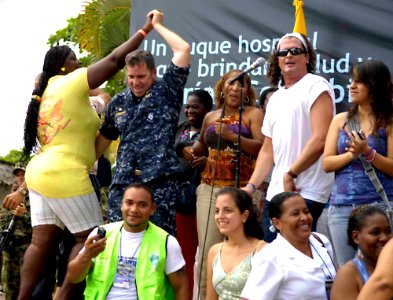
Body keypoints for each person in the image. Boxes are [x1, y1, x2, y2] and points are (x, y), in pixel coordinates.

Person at [2, 11, 155, 299]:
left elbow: (92, 134)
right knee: (92, 238)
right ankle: (63, 296)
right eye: (74, 58)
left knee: (41, 241)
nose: (79, 63)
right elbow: (112, 62)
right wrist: (145, 30)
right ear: (62, 66)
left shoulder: (45, 91)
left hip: (39, 173)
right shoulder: (69, 82)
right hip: (67, 174)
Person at [95, 10, 191, 237]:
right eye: (131, 77)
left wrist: (156, 25)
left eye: (141, 77)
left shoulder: (167, 89)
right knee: (120, 243)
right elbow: (103, 140)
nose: (135, 82)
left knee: (159, 244)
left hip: (159, 182)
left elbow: (183, 50)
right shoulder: (118, 102)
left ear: (153, 73)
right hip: (124, 184)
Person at [243, 32, 335, 243]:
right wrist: (251, 186)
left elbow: (321, 138)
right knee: (274, 262)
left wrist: (291, 173)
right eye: (283, 52)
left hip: (307, 191)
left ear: (307, 57)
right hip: (276, 193)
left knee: (301, 263)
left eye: (296, 50)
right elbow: (268, 149)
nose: (289, 55)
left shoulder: (316, 85)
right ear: (277, 59)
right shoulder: (276, 97)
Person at [189, 70, 264, 299]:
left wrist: (233, 137)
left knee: (246, 249)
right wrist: (190, 151)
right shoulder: (211, 117)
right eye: (231, 83)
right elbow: (201, 145)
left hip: (242, 190)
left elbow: (262, 148)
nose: (235, 88)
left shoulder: (253, 114)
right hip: (210, 188)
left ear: (247, 92)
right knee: (206, 253)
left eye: (242, 84)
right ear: (222, 87)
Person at [323, 60, 393, 266]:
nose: (352, 86)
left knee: (379, 272)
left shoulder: (389, 121)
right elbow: (327, 163)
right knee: (347, 271)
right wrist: (352, 155)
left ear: (374, 85)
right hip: (341, 207)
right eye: (352, 81)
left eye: (359, 81)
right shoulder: (340, 120)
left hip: (378, 205)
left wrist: (368, 153)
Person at [66, 182, 189, 299]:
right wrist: (86, 255)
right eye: (129, 203)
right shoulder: (101, 235)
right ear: (121, 205)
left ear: (152, 209)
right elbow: (73, 277)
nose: (134, 210)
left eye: (142, 205)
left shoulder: (166, 242)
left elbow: (181, 287)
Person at [241, 192, 336, 300]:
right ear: (277, 223)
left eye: (306, 211)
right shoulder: (269, 257)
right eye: (295, 214)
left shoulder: (321, 241)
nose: (304, 217)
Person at [175, 89, 213, 293]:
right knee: (184, 250)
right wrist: (180, 146)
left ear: (207, 109)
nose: (189, 110)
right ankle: (186, 292)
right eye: (187, 106)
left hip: (205, 195)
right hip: (180, 198)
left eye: (195, 106)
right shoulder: (179, 129)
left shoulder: (213, 131)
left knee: (203, 249)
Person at [206, 187, 266, 300]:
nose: (220, 216)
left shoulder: (262, 250)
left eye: (228, 210)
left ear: (244, 215)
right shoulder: (214, 251)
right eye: (217, 211)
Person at [330, 205, 392, 300]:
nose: (384, 238)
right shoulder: (348, 274)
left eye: (388, 231)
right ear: (356, 237)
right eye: (375, 232)